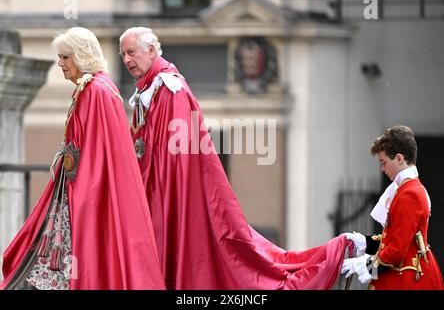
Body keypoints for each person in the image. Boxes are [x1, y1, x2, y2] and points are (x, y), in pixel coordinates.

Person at [119, 27, 351, 289]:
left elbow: (177, 158)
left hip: (171, 199)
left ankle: (334, 254)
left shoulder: (171, 89)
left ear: (150, 51)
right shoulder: (151, 90)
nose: (126, 60)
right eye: (123, 55)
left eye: (131, 52)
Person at [0, 27, 165, 290]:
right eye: (60, 57)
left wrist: (83, 198)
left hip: (85, 194)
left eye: (65, 57)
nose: (60, 63)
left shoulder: (96, 90)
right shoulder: (92, 88)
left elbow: (98, 155)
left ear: (81, 55)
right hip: (73, 192)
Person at [341, 125, 444, 290]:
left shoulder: (409, 193)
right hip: (403, 273)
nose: (382, 169)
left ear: (399, 159)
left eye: (384, 162)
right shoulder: (405, 188)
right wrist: (365, 243)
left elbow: (396, 250)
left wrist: (364, 266)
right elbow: (395, 239)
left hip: (408, 278)